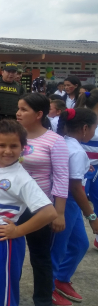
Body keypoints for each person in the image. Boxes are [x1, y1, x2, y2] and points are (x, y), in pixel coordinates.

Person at [0, 120, 57, 306]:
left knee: (3, 292)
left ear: (23, 147)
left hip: (3, 239)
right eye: (2, 145)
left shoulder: (22, 178)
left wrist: (18, 231)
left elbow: (49, 212)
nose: (8, 150)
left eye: (14, 146)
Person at [16, 94, 69, 306]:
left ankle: (43, 300)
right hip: (13, 206)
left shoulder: (54, 141)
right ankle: (8, 295)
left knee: (40, 257)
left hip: (39, 208)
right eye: (18, 108)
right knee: (11, 255)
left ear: (39, 114)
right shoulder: (14, 136)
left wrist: (59, 212)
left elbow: (61, 177)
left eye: (24, 109)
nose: (18, 113)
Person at [52, 108, 98, 305]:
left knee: (80, 244)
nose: (94, 132)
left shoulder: (67, 143)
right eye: (94, 128)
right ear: (86, 128)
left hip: (72, 203)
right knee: (56, 249)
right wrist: (92, 218)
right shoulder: (76, 150)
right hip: (65, 202)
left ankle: (61, 278)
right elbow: (75, 187)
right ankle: (48, 288)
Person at [79, 90, 98, 250]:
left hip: (94, 167)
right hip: (83, 168)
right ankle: (73, 239)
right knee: (79, 203)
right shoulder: (85, 120)